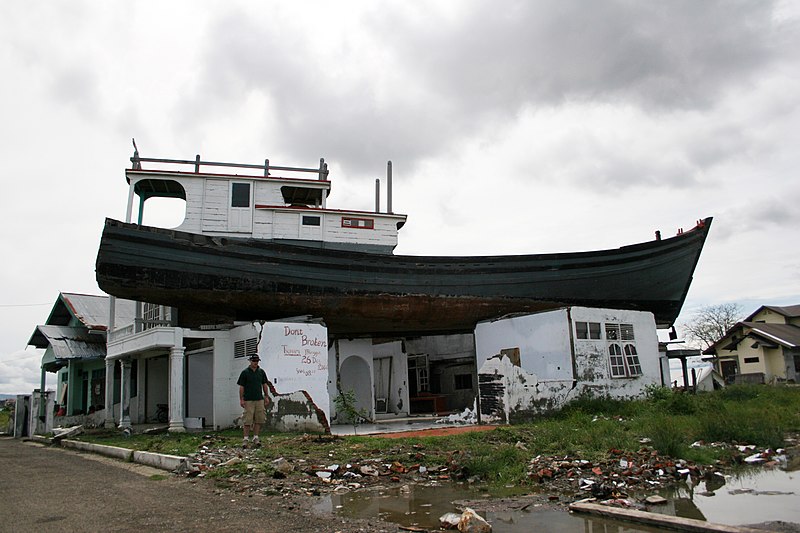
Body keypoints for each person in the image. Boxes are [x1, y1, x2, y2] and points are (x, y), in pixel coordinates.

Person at [237, 354, 270, 447]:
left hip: (259, 399)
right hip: (248, 399)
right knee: (247, 420)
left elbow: (264, 384)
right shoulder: (245, 372)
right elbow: (241, 387)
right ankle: (245, 439)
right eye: (254, 361)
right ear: (250, 361)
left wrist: (266, 396)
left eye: (257, 361)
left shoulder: (261, 372)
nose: (255, 363)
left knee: (259, 419)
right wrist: (241, 399)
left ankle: (256, 437)